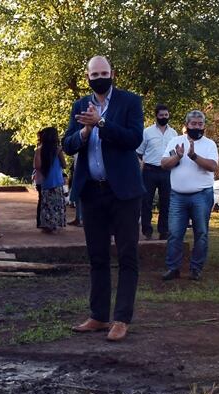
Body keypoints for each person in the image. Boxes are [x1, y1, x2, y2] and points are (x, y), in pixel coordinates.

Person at [62, 56, 145, 342]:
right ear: (87, 77)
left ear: (113, 73)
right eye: (94, 73)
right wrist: (84, 131)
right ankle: (98, 316)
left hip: (123, 192)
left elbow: (133, 139)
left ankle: (121, 319)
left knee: (126, 255)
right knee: (97, 256)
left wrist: (101, 123)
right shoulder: (79, 106)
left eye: (104, 72)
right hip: (92, 191)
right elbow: (67, 144)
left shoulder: (130, 102)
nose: (99, 77)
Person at [161, 110, 219, 280]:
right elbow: (164, 164)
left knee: (201, 233)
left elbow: (212, 166)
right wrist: (178, 156)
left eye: (200, 124)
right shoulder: (175, 141)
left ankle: (196, 268)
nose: (197, 127)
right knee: (174, 233)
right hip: (178, 196)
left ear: (204, 126)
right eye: (193, 124)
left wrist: (193, 156)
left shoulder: (209, 144)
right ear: (187, 125)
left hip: (201, 195)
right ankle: (173, 268)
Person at [137, 104, 178, 240]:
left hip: (167, 171)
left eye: (166, 115)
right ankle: (147, 230)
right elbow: (139, 152)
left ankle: (163, 230)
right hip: (149, 170)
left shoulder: (173, 133)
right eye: (161, 115)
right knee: (146, 201)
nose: (164, 117)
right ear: (156, 116)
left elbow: (175, 153)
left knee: (166, 202)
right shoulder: (147, 132)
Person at [34, 127, 67, 233]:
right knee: (55, 204)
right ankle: (53, 224)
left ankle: (47, 224)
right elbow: (64, 165)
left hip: (47, 182)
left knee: (47, 204)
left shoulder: (41, 150)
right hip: (56, 181)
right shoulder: (56, 150)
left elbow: (37, 166)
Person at [68, 154, 83, 227]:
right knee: (77, 196)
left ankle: (81, 219)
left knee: (82, 196)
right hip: (76, 172)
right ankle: (78, 218)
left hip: (82, 173)